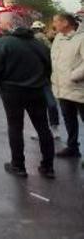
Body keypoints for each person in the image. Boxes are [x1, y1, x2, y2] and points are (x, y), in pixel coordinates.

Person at [0, 12, 55, 178]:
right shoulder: (38, 43)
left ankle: (18, 166)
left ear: (9, 24)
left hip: (12, 92)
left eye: (0, 21)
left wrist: (1, 86)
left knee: (15, 127)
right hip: (37, 90)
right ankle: (48, 167)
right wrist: (40, 81)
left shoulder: (3, 43)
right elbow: (48, 67)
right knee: (43, 128)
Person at [51, 12, 84, 162]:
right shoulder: (58, 37)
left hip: (78, 88)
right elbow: (55, 60)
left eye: (56, 22)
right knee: (69, 119)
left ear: (65, 23)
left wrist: (73, 76)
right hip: (62, 88)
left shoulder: (81, 38)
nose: (54, 25)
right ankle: (73, 147)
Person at [31, 20, 60, 140]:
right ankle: (51, 128)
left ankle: (48, 129)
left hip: (41, 78)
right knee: (48, 104)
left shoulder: (39, 40)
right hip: (41, 78)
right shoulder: (42, 40)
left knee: (44, 105)